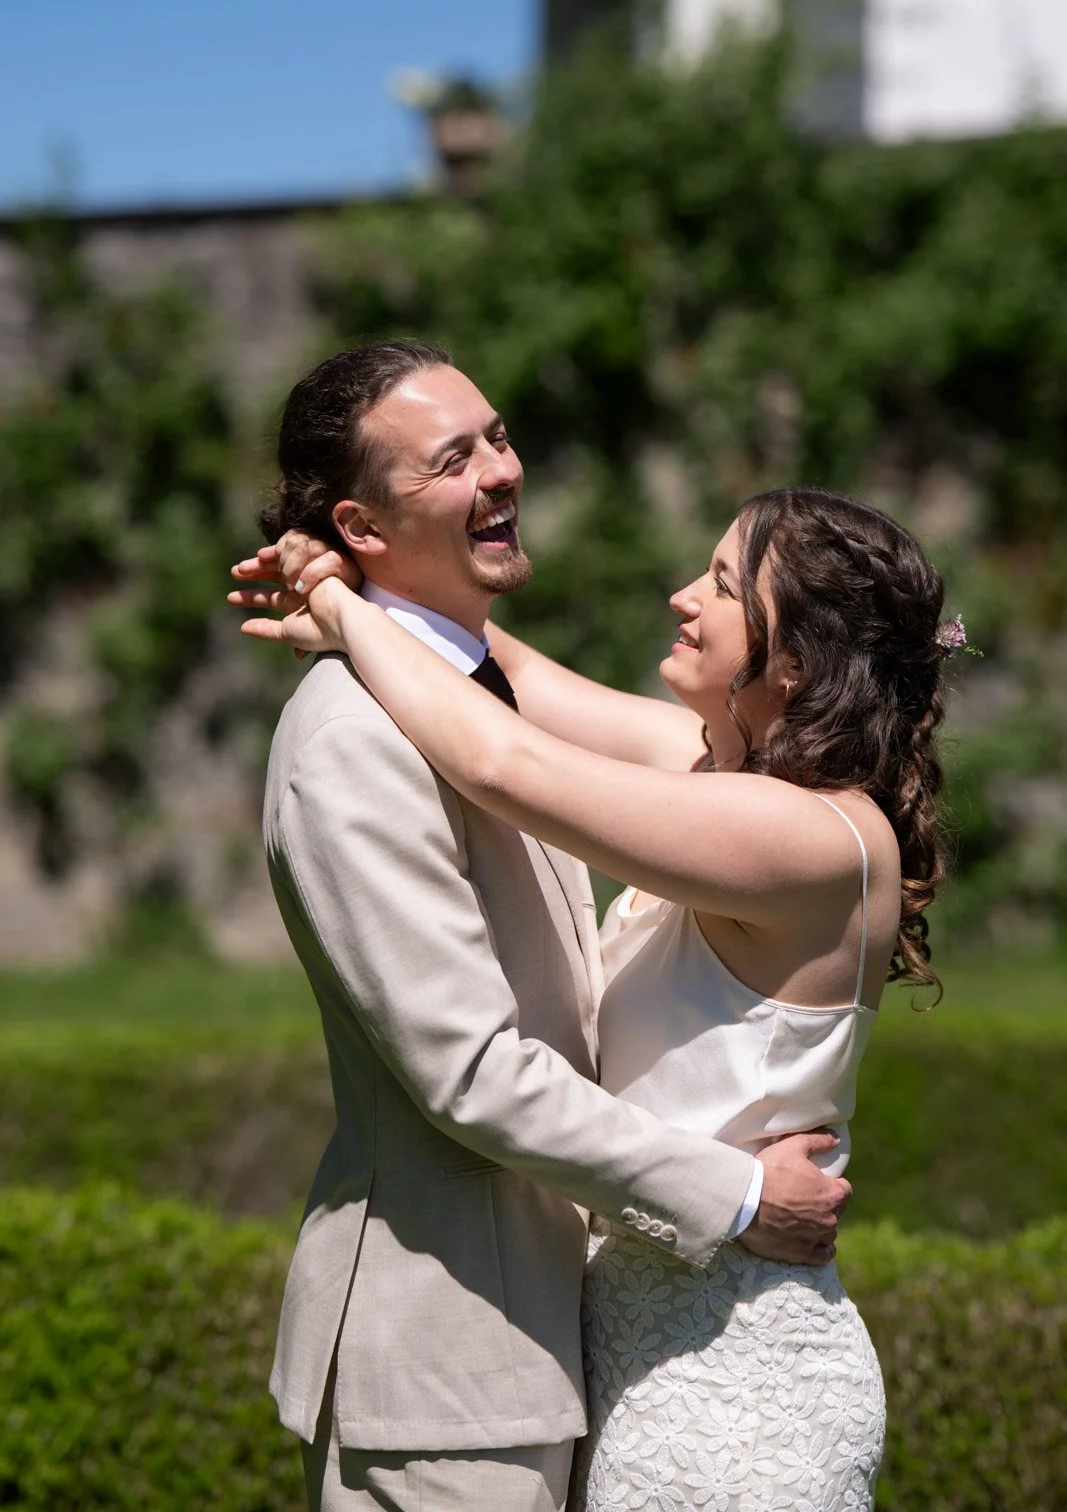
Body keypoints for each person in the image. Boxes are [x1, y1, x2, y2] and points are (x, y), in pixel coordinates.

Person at [234, 472, 951, 1511]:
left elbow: (497, 755)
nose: (680, 597)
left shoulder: (805, 838)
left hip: (734, 1385)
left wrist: (341, 611)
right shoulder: (719, 776)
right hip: (635, 1335)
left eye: (717, 583)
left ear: (792, 661)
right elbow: (496, 670)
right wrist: (353, 572)